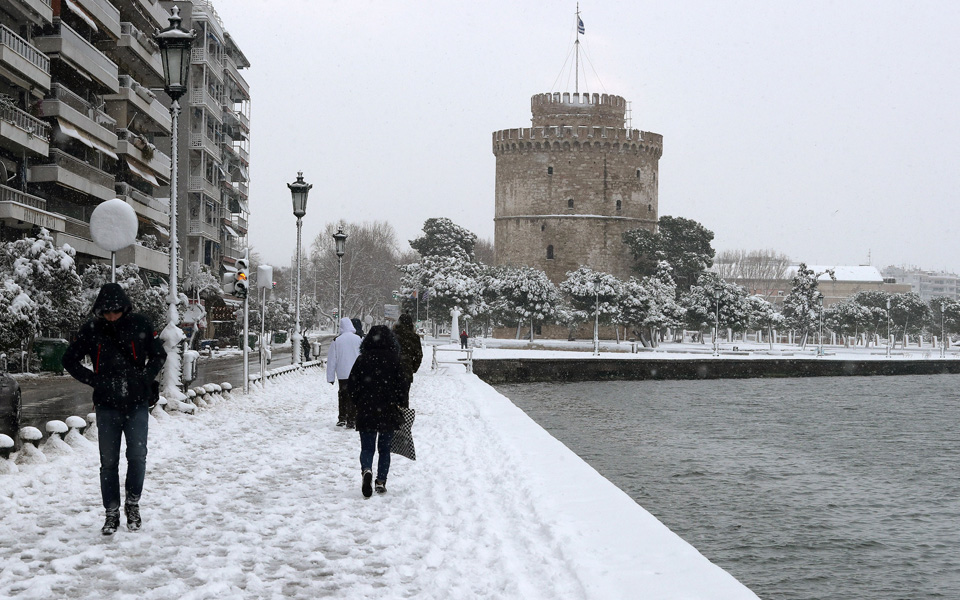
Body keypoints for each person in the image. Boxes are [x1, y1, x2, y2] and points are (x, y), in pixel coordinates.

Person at [62, 283, 166, 535]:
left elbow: (159, 355)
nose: (111, 316)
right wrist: (95, 380)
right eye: (106, 312)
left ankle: (133, 504)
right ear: (99, 310)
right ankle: (111, 512)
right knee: (108, 462)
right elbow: (69, 359)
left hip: (137, 403)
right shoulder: (91, 330)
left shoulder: (140, 324)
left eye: (116, 311)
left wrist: (145, 377)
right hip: (107, 405)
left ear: (124, 308)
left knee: (137, 456)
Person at [348, 325, 405, 497]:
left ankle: (366, 470)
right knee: (384, 449)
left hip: (366, 409)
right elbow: (402, 387)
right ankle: (381, 481)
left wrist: (359, 401)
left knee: (367, 447)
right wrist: (400, 404)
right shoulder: (395, 360)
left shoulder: (362, 359)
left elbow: (352, 385)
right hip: (388, 409)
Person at [326, 317, 362, 428]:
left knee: (343, 394)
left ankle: (342, 417)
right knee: (354, 396)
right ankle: (352, 418)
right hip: (356, 373)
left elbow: (332, 360)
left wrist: (330, 377)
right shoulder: (358, 339)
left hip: (342, 373)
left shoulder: (337, 340)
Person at [393, 313, 423, 408]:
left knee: (391, 396)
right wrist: (413, 368)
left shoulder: (392, 335)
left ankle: (391, 418)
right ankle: (403, 418)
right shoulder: (414, 337)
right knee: (404, 396)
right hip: (406, 370)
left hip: (391, 369)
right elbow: (419, 355)